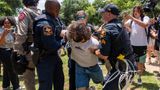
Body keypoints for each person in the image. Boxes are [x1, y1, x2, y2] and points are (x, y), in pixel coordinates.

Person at [97, 4, 135, 90]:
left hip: (122, 69)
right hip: (127, 65)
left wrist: (93, 50)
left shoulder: (107, 29)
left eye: (103, 13)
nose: (102, 15)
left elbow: (104, 55)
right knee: (105, 83)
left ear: (109, 14)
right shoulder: (120, 25)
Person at [33, 0, 65, 90]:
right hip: (45, 59)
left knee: (59, 81)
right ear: (52, 9)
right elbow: (50, 44)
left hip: (54, 57)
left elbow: (58, 31)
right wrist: (62, 43)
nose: (59, 12)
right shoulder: (45, 23)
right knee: (45, 86)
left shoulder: (54, 19)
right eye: (58, 9)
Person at [66, 21, 104, 90]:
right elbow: (65, 32)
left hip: (93, 66)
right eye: (75, 36)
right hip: (80, 66)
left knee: (100, 81)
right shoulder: (70, 39)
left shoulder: (94, 43)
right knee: (81, 88)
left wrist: (96, 51)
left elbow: (102, 53)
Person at [13, 0, 40, 90]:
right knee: (44, 79)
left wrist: (18, 52)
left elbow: (21, 35)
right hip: (43, 51)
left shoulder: (24, 14)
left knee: (29, 78)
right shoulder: (41, 13)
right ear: (37, 2)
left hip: (29, 52)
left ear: (24, 2)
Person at [124, 6, 150, 85]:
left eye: (137, 11)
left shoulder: (145, 18)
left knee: (140, 64)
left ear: (141, 11)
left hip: (142, 45)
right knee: (130, 62)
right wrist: (128, 27)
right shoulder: (131, 20)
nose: (135, 12)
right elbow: (124, 25)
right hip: (132, 45)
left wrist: (131, 18)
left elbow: (145, 25)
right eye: (134, 11)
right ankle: (131, 77)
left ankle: (139, 78)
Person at [0, 17, 20, 90]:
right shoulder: (1, 30)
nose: (7, 24)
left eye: (8, 23)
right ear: (3, 23)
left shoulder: (12, 30)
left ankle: (5, 86)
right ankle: (17, 87)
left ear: (11, 23)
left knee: (6, 69)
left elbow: (14, 42)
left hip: (11, 50)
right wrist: (4, 34)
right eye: (5, 23)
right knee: (12, 69)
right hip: (4, 51)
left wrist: (15, 36)